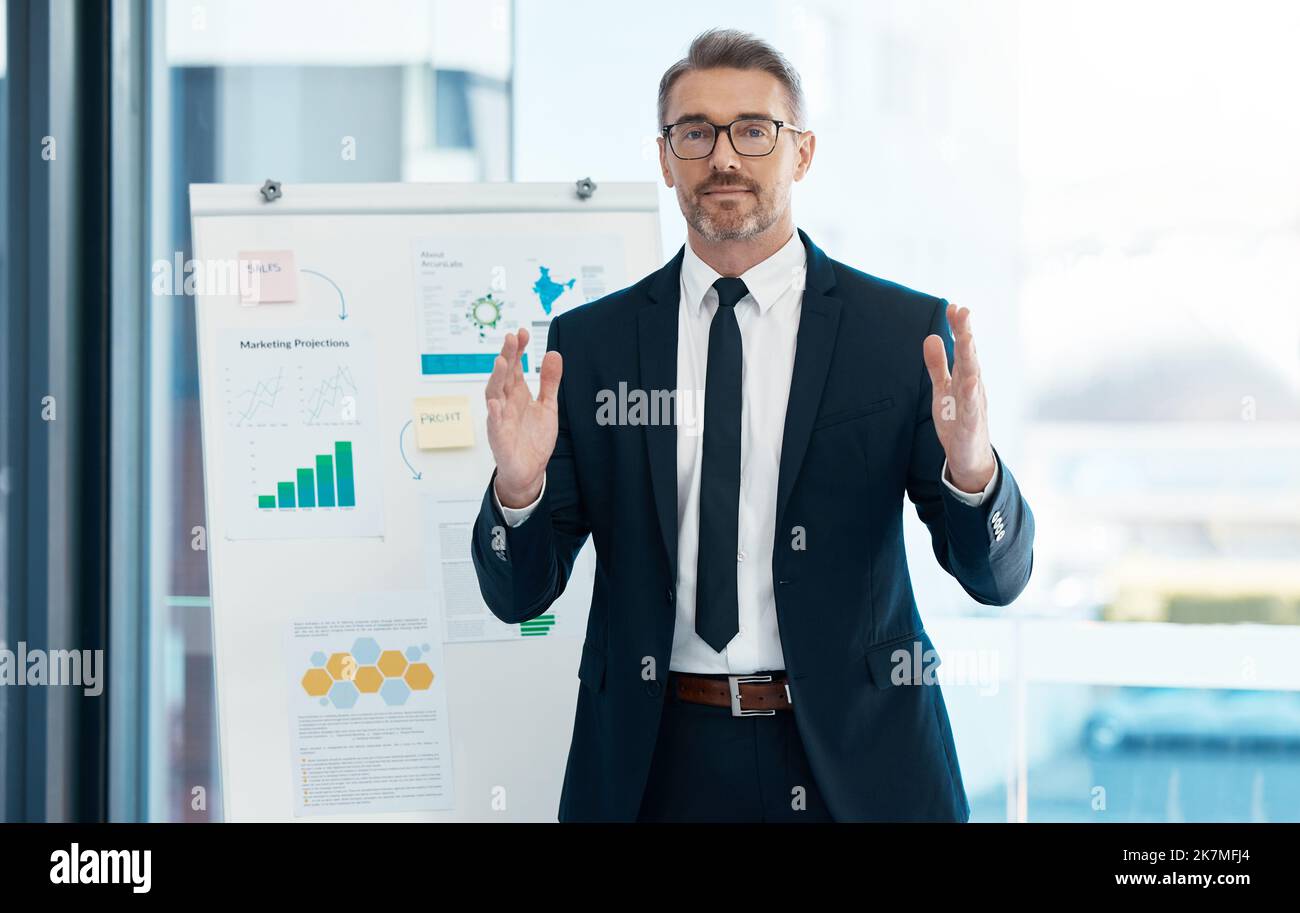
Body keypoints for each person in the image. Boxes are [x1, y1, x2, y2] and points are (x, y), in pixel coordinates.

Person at [470, 27, 1035, 822]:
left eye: (754, 130)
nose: (723, 157)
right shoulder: (590, 347)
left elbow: (995, 578)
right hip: (655, 761)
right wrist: (519, 487)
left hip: (859, 761)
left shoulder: (900, 333)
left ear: (800, 152)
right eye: (694, 133)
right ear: (666, 158)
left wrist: (974, 471)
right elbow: (518, 593)